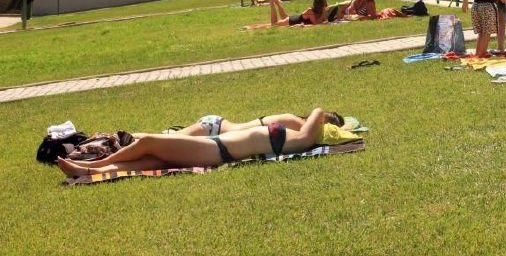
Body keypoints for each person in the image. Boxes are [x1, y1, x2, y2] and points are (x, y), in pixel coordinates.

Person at [56, 108, 331, 176]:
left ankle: (99, 164)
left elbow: (312, 124)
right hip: (217, 143)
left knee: (150, 141)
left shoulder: (301, 141)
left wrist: (323, 115)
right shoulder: (296, 134)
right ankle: (89, 171)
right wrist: (321, 116)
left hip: (217, 149)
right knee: (153, 160)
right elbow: (313, 117)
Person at [147, 111, 345, 138]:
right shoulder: (296, 124)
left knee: (164, 139)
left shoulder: (294, 120)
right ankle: (120, 138)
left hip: (216, 127)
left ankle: (122, 140)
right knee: (161, 140)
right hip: (214, 129)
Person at [243, 0, 329, 29]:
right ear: (321, 5)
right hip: (292, 21)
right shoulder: (310, 11)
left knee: (269, 25)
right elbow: (316, 23)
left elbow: (323, 21)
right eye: (325, 3)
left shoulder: (319, 11)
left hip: (295, 18)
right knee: (273, 24)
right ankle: (272, 3)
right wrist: (324, 14)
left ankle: (276, 2)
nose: (326, 5)